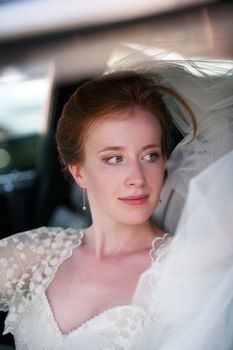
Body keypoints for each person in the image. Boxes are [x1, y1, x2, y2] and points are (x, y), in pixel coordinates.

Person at [0, 65, 233, 350]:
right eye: (114, 158)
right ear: (79, 173)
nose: (137, 178)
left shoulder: (187, 269)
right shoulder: (37, 255)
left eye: (150, 155)